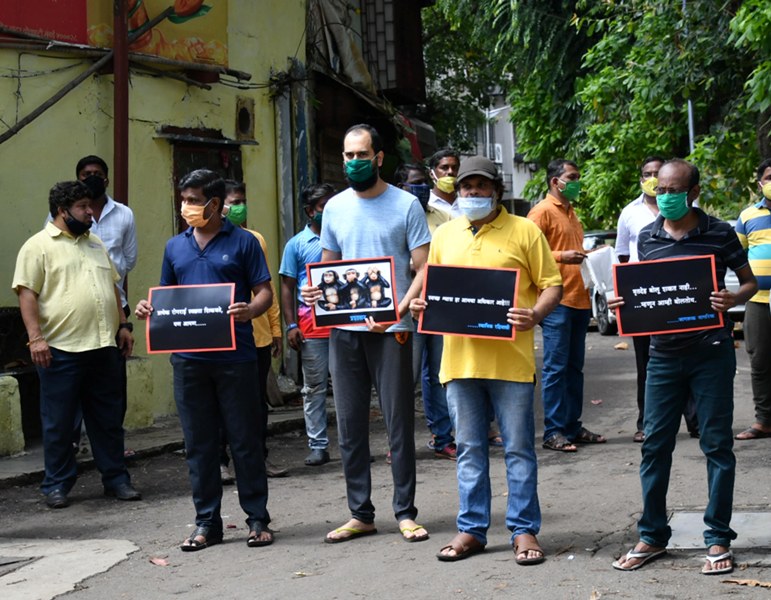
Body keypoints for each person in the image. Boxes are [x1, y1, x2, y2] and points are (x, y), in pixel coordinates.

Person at [411, 156, 563, 563]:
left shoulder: (525, 231)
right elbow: (432, 288)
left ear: (495, 189)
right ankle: (472, 529)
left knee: (518, 449)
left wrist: (535, 314)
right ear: (457, 192)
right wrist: (420, 305)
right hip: (459, 363)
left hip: (511, 363)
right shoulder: (445, 235)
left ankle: (524, 530)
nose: (472, 193)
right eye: (465, 187)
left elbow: (552, 285)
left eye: (480, 186)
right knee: (469, 450)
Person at [610, 158, 756, 575]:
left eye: (674, 190)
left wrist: (733, 299)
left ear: (693, 193)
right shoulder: (647, 236)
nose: (665, 196)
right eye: (660, 189)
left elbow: (748, 282)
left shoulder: (720, 233)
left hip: (711, 352)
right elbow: (643, 289)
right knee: (655, 444)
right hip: (663, 356)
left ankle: (717, 538)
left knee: (717, 446)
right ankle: (652, 536)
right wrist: (624, 304)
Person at [302, 124, 431, 543]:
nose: (354, 162)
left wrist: (399, 308)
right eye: (347, 155)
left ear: (378, 158)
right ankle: (361, 513)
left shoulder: (406, 205)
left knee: (397, 423)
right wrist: (312, 290)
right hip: (344, 330)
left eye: (361, 155)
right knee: (351, 424)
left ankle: (405, 512)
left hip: (392, 327)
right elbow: (328, 265)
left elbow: (423, 268)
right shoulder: (335, 208)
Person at [135, 169, 274, 551]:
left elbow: (265, 292)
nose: (188, 207)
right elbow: (167, 295)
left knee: (245, 439)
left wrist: (251, 311)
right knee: (199, 443)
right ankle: (206, 523)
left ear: (215, 203)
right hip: (188, 359)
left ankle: (257, 518)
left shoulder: (244, 242)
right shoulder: (174, 246)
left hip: (236, 356)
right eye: (184, 199)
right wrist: (149, 308)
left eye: (194, 200)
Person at [12, 181, 140, 509]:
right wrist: (35, 338)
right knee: (58, 422)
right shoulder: (37, 246)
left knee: (107, 419)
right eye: (83, 207)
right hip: (60, 349)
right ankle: (56, 485)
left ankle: (116, 479)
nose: (90, 213)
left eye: (90, 206)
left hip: (102, 345)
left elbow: (112, 288)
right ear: (62, 210)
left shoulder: (95, 243)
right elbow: (27, 293)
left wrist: (123, 325)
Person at [617, 156, 699, 443]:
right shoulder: (629, 213)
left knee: (689, 358)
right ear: (641, 178)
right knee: (647, 364)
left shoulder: (692, 210)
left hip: (684, 298)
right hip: (645, 302)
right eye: (648, 174)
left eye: (658, 174)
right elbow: (622, 257)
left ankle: (695, 421)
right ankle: (646, 423)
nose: (654, 180)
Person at [528, 159, 605, 452]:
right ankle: (553, 431)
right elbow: (528, 251)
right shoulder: (541, 212)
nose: (577, 182)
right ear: (554, 182)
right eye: (572, 177)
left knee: (574, 368)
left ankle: (572, 426)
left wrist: (591, 255)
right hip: (556, 301)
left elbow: (572, 252)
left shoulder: (572, 213)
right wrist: (562, 256)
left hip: (579, 298)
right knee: (556, 369)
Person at [219, 180, 287, 480]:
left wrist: (276, 330)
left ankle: (258, 460)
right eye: (233, 202)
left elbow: (267, 287)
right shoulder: (201, 240)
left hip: (256, 335)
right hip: (220, 336)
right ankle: (220, 462)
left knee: (256, 405)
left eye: (242, 201)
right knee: (220, 404)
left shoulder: (254, 239)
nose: (239, 207)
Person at [394, 163, 455, 459]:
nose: (420, 188)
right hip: (407, 310)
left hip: (438, 308)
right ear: (402, 187)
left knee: (439, 376)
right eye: (414, 183)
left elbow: (449, 256)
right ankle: (400, 443)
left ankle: (442, 436)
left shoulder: (443, 216)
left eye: (422, 183)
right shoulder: (395, 216)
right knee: (406, 377)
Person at [279, 183, 336, 467]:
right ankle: (318, 445)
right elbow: (287, 287)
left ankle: (352, 444)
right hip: (311, 328)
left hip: (345, 326)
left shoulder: (345, 238)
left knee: (351, 386)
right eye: (323, 207)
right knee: (313, 389)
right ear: (309, 211)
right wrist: (291, 325)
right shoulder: (297, 245)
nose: (329, 212)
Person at [734, 157, 771, 441]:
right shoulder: (748, 216)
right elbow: (737, 256)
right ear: (760, 184)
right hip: (759, 299)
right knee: (759, 359)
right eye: (769, 177)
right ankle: (764, 420)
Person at [427, 148, 461, 218]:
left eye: (455, 168)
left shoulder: (466, 202)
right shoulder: (425, 202)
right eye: (444, 168)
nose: (450, 172)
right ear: (431, 174)